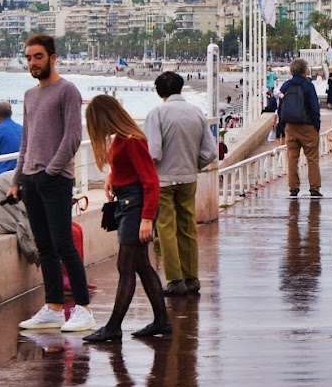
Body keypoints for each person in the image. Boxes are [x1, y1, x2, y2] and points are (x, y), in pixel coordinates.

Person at [13, 33, 97, 334]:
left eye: (38, 56)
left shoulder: (67, 91)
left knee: (63, 245)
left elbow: (73, 137)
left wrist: (50, 172)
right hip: (32, 180)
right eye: (28, 58)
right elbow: (26, 141)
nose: (32, 63)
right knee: (44, 246)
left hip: (56, 179)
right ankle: (52, 307)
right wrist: (16, 179)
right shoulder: (29, 95)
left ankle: (84, 309)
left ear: (52, 57)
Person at [81, 95, 171, 343]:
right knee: (141, 265)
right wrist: (112, 177)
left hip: (135, 205)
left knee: (125, 266)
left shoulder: (132, 141)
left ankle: (113, 326)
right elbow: (127, 168)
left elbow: (150, 180)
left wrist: (147, 218)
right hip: (127, 202)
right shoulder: (123, 139)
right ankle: (161, 320)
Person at [144, 71, 218, 297]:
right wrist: (194, 165)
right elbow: (210, 152)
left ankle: (175, 280)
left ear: (159, 92)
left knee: (166, 228)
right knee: (188, 227)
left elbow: (153, 151)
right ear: (180, 89)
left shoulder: (157, 113)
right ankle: (191, 277)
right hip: (188, 178)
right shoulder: (196, 112)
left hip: (164, 181)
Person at [276, 58, 323, 198]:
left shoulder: (286, 86)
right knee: (312, 159)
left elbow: (281, 107)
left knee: (292, 158)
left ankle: (293, 188)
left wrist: (284, 124)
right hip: (308, 126)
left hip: (290, 126)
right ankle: (314, 188)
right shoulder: (308, 86)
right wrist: (316, 125)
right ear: (304, 71)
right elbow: (315, 107)